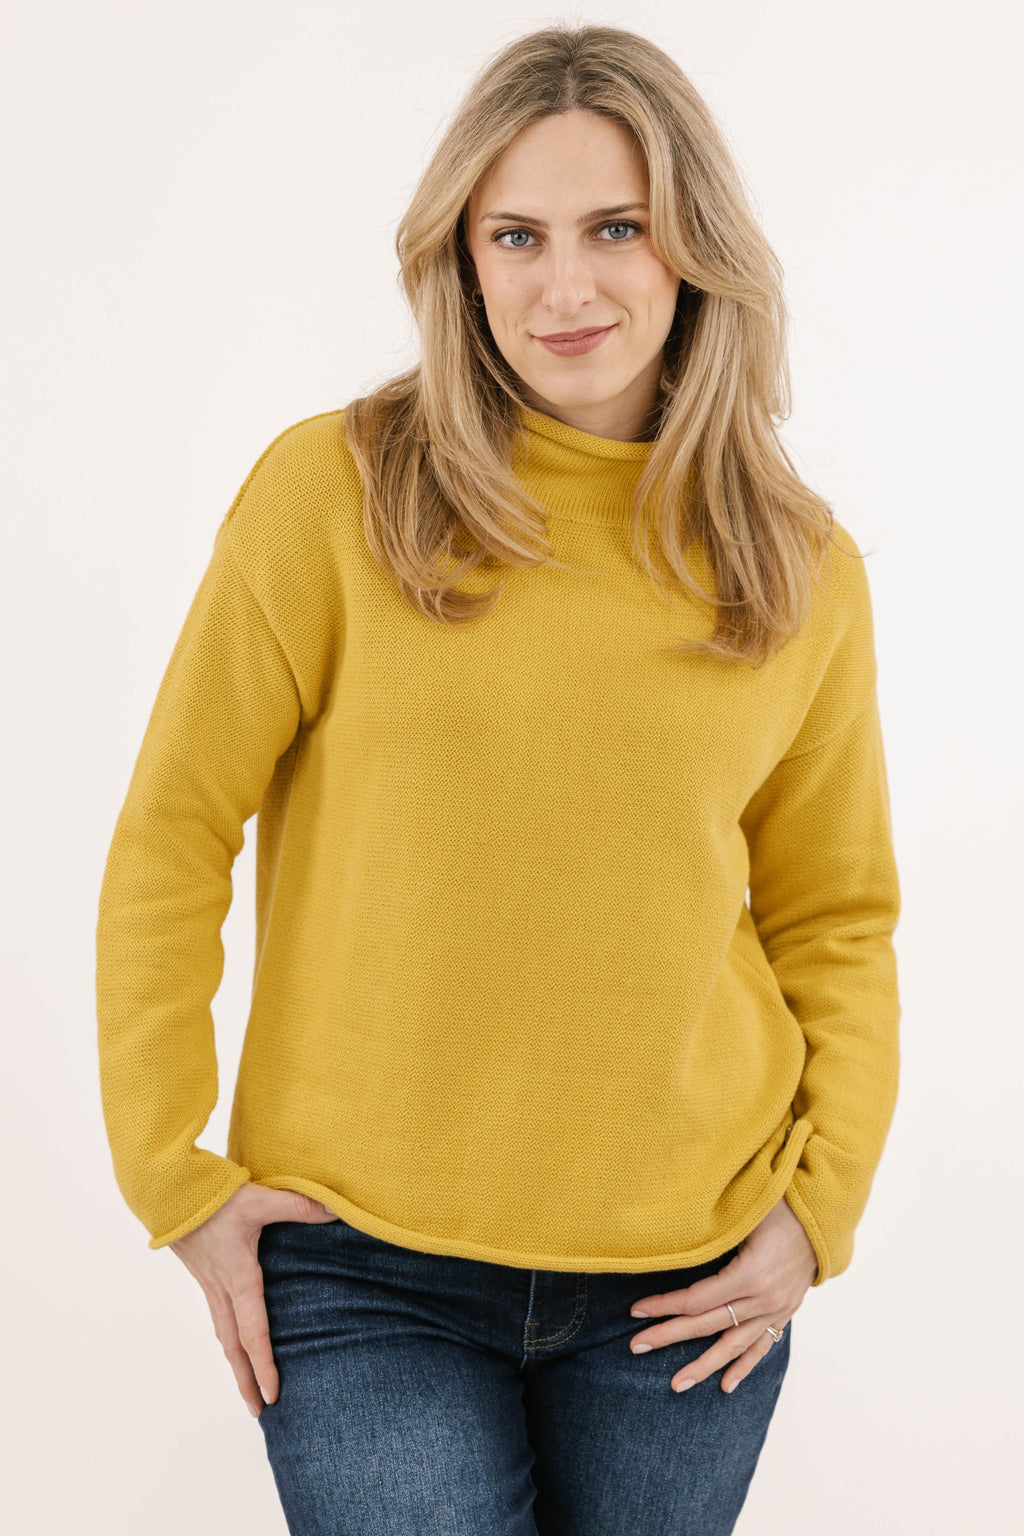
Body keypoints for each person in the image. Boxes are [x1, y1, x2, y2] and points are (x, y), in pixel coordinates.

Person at [94, 22, 901, 1536]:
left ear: (695, 248)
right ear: (460, 259)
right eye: (515, 236)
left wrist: (820, 1207)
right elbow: (173, 834)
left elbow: (835, 917)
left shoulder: (798, 566)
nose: (565, 287)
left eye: (617, 229)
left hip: (686, 1279)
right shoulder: (334, 493)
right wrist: (171, 1175)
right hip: (362, 1262)